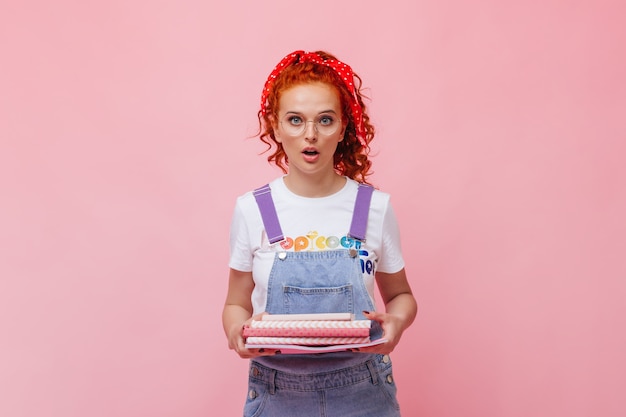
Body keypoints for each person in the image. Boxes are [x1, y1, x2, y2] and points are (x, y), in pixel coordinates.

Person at [222, 50, 417, 417]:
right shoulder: (252, 209)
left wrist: (396, 324)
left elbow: (402, 296)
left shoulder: (374, 207)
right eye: (295, 120)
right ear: (275, 126)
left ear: (343, 126)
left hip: (363, 392)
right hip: (277, 394)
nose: (310, 135)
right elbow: (235, 303)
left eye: (325, 120)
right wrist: (237, 333)